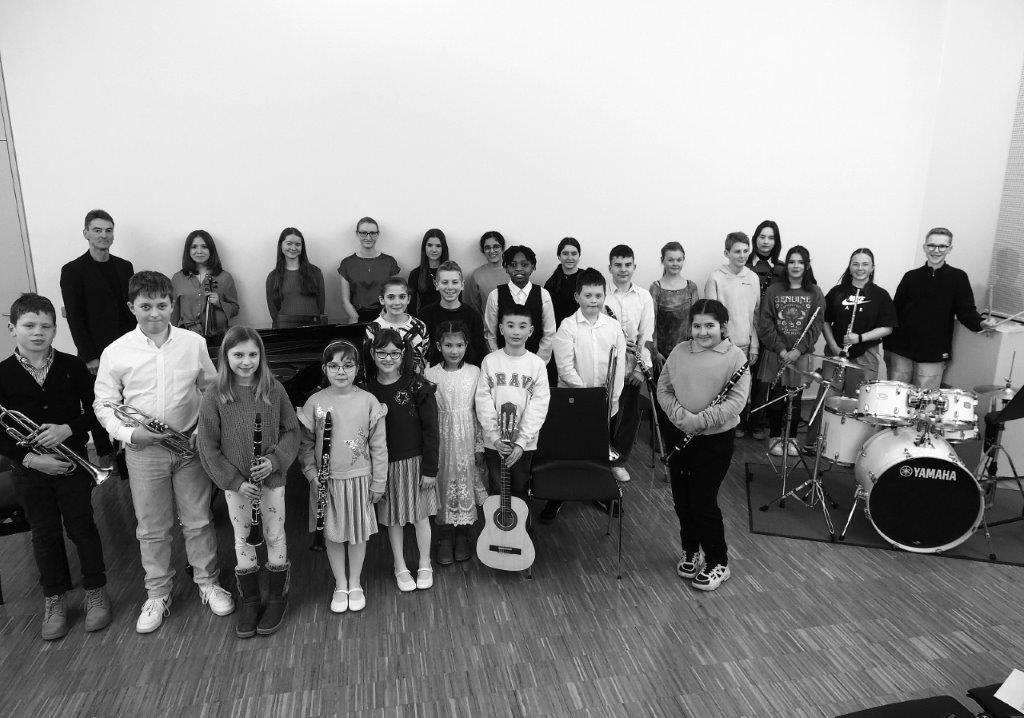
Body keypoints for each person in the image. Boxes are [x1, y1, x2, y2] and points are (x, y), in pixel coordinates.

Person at [94, 271, 234, 634]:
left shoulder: (193, 342)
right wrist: (130, 433)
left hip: (188, 445)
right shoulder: (115, 351)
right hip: (144, 451)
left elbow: (209, 389)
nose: (154, 313)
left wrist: (203, 430)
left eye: (161, 305)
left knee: (198, 519)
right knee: (152, 527)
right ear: (131, 307)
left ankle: (208, 583)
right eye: (145, 306)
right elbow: (104, 403)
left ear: (172, 305)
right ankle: (157, 593)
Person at [0, 293, 114, 640]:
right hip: (29, 469)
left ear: (54, 329)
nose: (38, 332)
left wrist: (68, 429)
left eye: (46, 326)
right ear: (12, 328)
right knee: (44, 534)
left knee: (82, 527)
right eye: (29, 325)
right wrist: (31, 458)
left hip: (72, 463)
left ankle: (96, 592)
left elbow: (97, 409)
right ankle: (54, 599)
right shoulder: (2, 373)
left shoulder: (72, 366)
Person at [198, 326, 300, 638]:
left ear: (261, 356)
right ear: (225, 356)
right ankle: (250, 600)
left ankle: (277, 598)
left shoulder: (273, 389)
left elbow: (291, 431)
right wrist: (234, 480)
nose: (246, 361)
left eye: (253, 354)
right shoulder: (215, 394)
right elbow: (207, 445)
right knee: (243, 538)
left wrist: (275, 460)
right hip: (238, 485)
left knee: (274, 535)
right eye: (238, 354)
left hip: (271, 480)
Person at [657, 299, 750, 592]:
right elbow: (663, 388)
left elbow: (736, 402)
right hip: (679, 434)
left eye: (709, 325)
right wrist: (681, 417)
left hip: (715, 440)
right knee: (682, 499)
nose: (702, 331)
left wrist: (700, 421)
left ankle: (718, 561)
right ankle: (690, 549)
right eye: (697, 325)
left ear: (723, 327)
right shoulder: (680, 351)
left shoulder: (735, 357)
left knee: (703, 501)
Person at [297, 340, 386, 614]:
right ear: (325, 369)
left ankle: (355, 582)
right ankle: (340, 584)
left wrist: (379, 482)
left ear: (357, 368)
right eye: (334, 366)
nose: (341, 371)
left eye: (348, 365)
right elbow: (305, 445)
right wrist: (311, 474)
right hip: (327, 481)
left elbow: (379, 446)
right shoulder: (315, 402)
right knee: (333, 535)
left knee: (358, 534)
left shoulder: (368, 400)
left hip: (360, 479)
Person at [542, 268, 626, 523]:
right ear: (577, 296)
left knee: (598, 451)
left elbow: (619, 366)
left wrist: (611, 397)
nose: (593, 301)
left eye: (598, 295)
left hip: (605, 402)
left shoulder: (613, 327)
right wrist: (589, 398)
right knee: (568, 449)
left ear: (604, 296)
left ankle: (599, 492)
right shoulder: (567, 327)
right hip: (574, 401)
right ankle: (557, 495)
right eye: (588, 295)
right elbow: (565, 369)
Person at [364, 329, 439, 593]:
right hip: (383, 466)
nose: (388, 358)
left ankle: (425, 563)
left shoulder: (417, 385)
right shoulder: (366, 389)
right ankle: (400, 565)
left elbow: (431, 430)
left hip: (416, 463)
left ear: (403, 353)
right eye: (382, 353)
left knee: (420, 516)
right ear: (372, 353)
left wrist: (430, 469)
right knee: (392, 519)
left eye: (394, 353)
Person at [803, 249, 897, 453]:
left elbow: (888, 327)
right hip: (836, 354)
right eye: (855, 264)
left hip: (865, 355)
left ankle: (853, 450)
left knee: (859, 401)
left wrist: (859, 338)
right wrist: (833, 346)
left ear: (872, 268)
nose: (860, 268)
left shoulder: (880, 295)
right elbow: (824, 321)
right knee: (826, 398)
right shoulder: (838, 292)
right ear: (850, 266)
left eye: (865, 264)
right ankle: (815, 443)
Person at [883, 227, 995, 389]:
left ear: (950, 249)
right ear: (924, 247)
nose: (936, 250)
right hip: (900, 349)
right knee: (895, 396)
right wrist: (885, 341)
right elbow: (895, 311)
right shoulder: (910, 276)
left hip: (933, 351)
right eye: (931, 245)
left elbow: (966, 311)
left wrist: (980, 323)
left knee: (925, 400)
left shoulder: (958, 277)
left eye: (942, 246)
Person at [424, 322, 489, 564]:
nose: (454, 350)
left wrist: (479, 445)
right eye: (448, 345)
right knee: (443, 482)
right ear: (438, 346)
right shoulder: (430, 374)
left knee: (466, 481)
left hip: (467, 436)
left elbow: (480, 411)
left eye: (459, 345)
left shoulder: (475, 372)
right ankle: (444, 536)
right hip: (441, 437)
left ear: (466, 345)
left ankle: (463, 535)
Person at [475, 304, 551, 508]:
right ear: (501, 329)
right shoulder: (490, 361)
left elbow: (539, 405)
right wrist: (494, 436)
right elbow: (482, 401)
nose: (516, 331)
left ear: (531, 331)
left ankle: (520, 527)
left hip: (523, 444)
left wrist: (522, 441)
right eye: (510, 325)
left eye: (522, 326)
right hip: (495, 443)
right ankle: (497, 527)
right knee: (497, 490)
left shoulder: (537, 364)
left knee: (519, 489)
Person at [756, 247, 825, 457]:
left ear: (807, 265)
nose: (796, 266)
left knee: (795, 399)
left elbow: (816, 326)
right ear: (786, 265)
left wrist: (798, 350)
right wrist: (781, 349)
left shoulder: (815, 292)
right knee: (776, 398)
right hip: (776, 353)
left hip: (800, 356)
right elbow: (765, 322)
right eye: (792, 262)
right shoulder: (774, 290)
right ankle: (775, 436)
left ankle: (792, 437)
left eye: (800, 262)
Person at [59, 209, 135, 374]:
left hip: (127, 348)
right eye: (97, 230)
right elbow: (75, 317)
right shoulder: (72, 271)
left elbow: (131, 309)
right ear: (86, 233)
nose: (104, 235)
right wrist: (89, 356)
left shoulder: (125, 267)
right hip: (96, 354)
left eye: (109, 230)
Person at [604, 244, 655, 483]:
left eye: (627, 265)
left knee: (629, 416)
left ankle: (619, 460)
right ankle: (602, 457)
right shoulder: (602, 295)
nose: (623, 269)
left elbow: (647, 335)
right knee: (606, 415)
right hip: (607, 367)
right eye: (618, 265)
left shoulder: (644, 296)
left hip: (633, 366)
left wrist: (641, 368)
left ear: (634, 267)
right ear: (610, 268)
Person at [704, 232, 761, 438]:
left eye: (746, 251)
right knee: (720, 390)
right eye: (737, 251)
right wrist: (722, 343)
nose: (742, 255)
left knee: (741, 391)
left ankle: (735, 428)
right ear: (726, 253)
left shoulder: (753, 278)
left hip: (745, 345)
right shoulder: (716, 277)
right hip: (722, 346)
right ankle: (718, 430)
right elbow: (711, 317)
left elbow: (756, 315)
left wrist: (754, 345)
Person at [483, 245, 557, 364]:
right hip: (502, 363)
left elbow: (549, 334)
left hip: (536, 363)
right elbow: (490, 335)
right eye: (513, 265)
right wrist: (499, 362)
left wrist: (537, 364)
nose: (518, 269)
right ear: (506, 268)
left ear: (533, 267)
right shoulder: (495, 295)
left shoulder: (543, 295)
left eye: (524, 265)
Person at [745, 220, 784, 441]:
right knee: (741, 378)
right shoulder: (744, 264)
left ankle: (757, 422)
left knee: (762, 381)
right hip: (744, 329)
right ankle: (738, 421)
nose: (766, 241)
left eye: (771, 237)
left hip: (770, 332)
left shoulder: (782, 269)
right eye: (762, 236)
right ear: (755, 238)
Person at [417, 261, 488, 366]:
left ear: (462, 285)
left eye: (455, 282)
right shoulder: (425, 315)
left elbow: (480, 352)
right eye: (445, 282)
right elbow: (421, 351)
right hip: (432, 372)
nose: (450, 287)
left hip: (467, 373)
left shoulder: (473, 316)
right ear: (436, 284)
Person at [171, 230, 239, 336]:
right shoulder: (178, 278)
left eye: (204, 247)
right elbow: (173, 312)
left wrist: (219, 303)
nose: (199, 251)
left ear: (211, 249)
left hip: (217, 336)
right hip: (188, 336)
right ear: (188, 250)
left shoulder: (225, 277)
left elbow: (235, 309)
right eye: (194, 247)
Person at [338, 216, 401, 323]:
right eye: (363, 233)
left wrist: (384, 316)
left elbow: (395, 294)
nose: (368, 237)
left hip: (386, 316)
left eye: (372, 233)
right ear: (357, 234)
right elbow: (345, 300)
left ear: (378, 234)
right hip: (356, 318)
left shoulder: (389, 262)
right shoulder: (347, 263)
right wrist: (356, 319)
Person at [649, 242, 700, 371]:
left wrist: (697, 348)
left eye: (679, 260)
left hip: (688, 352)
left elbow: (697, 321)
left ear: (683, 260)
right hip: (662, 355)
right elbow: (651, 324)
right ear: (662, 260)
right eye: (670, 260)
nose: (675, 263)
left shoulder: (691, 287)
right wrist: (655, 353)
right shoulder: (656, 288)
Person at [364, 277, 430, 371]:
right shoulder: (373, 328)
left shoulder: (420, 326)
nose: (397, 302)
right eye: (391, 297)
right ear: (382, 300)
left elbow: (423, 359)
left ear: (408, 299)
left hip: (413, 378)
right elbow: (369, 362)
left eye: (402, 297)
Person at [265, 228, 326, 328]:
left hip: (313, 329)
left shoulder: (315, 272)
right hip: (285, 331)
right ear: (281, 245)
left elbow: (321, 305)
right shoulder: (273, 277)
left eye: (298, 244)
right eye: (289, 244)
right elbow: (273, 312)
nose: (293, 248)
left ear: (302, 247)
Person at [463, 231, 509, 315]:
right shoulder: (477, 275)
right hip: (486, 323)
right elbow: (474, 308)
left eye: (496, 246)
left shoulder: (514, 272)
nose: (492, 251)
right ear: (483, 250)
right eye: (487, 247)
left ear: (502, 248)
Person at [408, 229, 448, 317]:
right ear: (424, 247)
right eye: (430, 245)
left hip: (448, 320)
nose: (434, 250)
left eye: (438, 246)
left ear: (443, 248)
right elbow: (411, 307)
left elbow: (459, 302)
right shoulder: (415, 274)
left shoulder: (452, 273)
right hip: (424, 320)